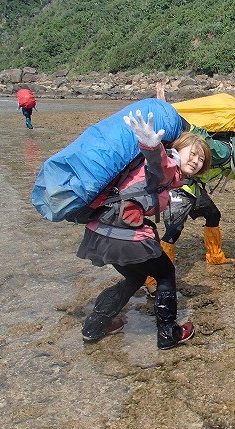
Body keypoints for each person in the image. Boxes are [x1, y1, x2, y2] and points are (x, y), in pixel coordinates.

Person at [77, 110, 212, 349]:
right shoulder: (169, 163)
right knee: (165, 273)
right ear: (178, 149)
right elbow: (158, 163)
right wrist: (151, 144)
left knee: (135, 276)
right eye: (192, 154)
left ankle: (95, 326)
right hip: (123, 235)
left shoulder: (169, 173)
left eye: (201, 159)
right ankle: (168, 333)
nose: (196, 161)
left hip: (100, 232)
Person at [143, 84, 235, 297]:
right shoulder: (223, 151)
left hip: (194, 188)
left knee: (213, 214)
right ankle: (153, 280)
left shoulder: (234, 161)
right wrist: (168, 110)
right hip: (179, 185)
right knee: (173, 231)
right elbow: (195, 134)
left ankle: (215, 257)